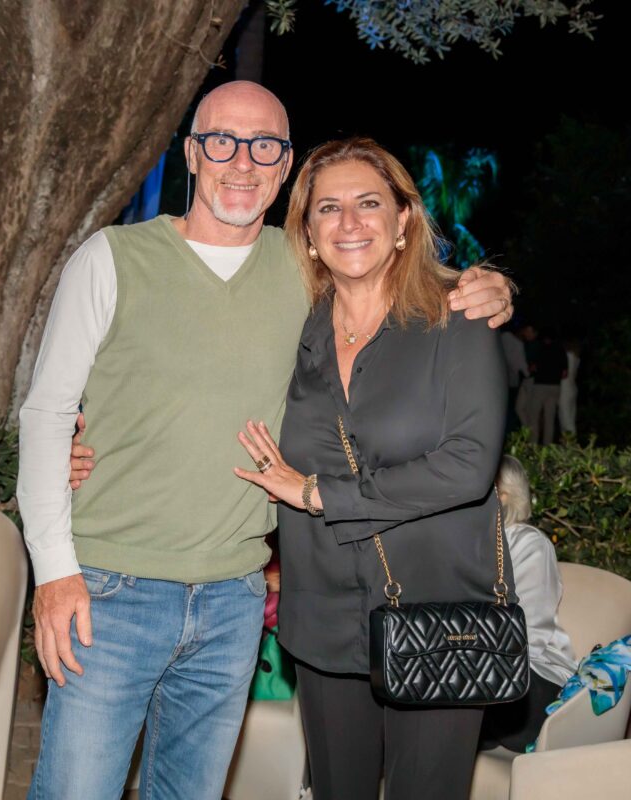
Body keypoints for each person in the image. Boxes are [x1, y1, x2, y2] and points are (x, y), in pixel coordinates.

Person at [19, 81, 514, 800]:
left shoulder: (305, 275)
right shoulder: (114, 258)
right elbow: (46, 413)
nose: (241, 161)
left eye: (264, 146)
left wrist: (491, 287)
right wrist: (53, 569)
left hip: (235, 597)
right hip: (111, 590)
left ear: (284, 167)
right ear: (192, 152)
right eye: (221, 141)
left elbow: (407, 291)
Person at [232, 137, 510, 800]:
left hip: (440, 611)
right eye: (328, 208)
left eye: (369, 203)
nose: (349, 222)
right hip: (322, 611)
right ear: (307, 232)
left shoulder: (456, 316)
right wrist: (91, 444)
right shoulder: (292, 327)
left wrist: (318, 494)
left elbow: (469, 466)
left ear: (403, 219)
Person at [479, 455, 578, 752]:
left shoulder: (529, 543)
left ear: (504, 496)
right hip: (482, 674)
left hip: (536, 677)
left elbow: (527, 635)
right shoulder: (465, 546)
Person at [528, 327, 568, 444]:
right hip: (555, 387)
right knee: (549, 419)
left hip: (540, 386)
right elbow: (565, 374)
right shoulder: (561, 350)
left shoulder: (540, 349)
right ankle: (547, 446)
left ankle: (533, 445)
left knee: (534, 417)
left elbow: (532, 368)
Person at [558, 338, 580, 436]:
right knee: (570, 416)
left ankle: (571, 442)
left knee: (565, 418)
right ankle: (568, 440)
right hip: (572, 388)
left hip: (565, 389)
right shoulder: (577, 358)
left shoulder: (567, 356)